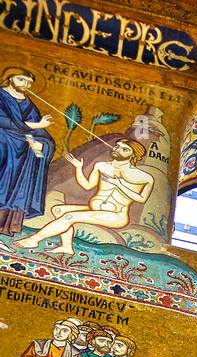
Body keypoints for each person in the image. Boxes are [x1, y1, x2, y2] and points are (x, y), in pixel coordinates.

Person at [17, 138, 154, 253]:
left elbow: (141, 199)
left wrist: (119, 184)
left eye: (125, 149)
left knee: (70, 216)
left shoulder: (144, 177)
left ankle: (33, 240)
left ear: (134, 155)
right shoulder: (102, 166)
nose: (117, 149)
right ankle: (66, 246)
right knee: (58, 209)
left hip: (116, 215)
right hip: (95, 209)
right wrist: (78, 168)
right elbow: (87, 185)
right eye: (117, 146)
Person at [0, 70, 55, 235]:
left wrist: (42, 146)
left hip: (22, 156)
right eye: (21, 79)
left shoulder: (29, 104)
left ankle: (4, 231)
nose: (26, 84)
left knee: (18, 185)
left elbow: (38, 135)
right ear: (9, 78)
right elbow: (3, 121)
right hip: (3, 148)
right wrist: (37, 126)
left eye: (29, 82)